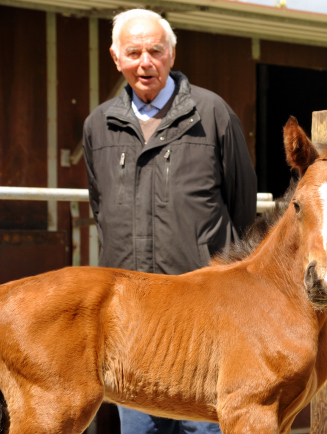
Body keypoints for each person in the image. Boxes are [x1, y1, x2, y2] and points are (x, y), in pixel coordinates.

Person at [82, 8, 257, 434]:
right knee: (138, 427)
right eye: (134, 52)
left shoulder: (213, 114)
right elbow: (100, 208)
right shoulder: (98, 125)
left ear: (172, 54)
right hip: (133, 322)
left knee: (204, 427)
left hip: (205, 319)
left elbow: (243, 206)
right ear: (116, 57)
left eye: (156, 51)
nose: (146, 62)